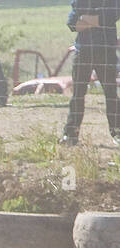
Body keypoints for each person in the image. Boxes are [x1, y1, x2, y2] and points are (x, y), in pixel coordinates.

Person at [62, 1, 120, 146]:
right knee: (78, 95)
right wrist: (97, 21)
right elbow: (72, 24)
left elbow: (109, 18)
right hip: (83, 51)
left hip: (105, 50)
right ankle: (71, 134)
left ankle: (117, 132)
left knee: (111, 93)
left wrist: (84, 17)